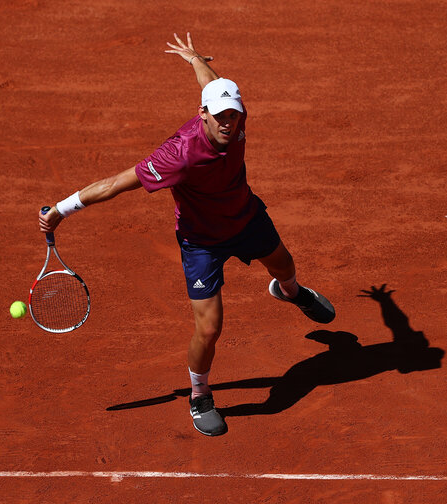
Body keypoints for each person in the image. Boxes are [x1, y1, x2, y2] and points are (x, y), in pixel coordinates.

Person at [38, 33, 335, 436]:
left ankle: (291, 292)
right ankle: (199, 395)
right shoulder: (177, 156)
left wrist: (194, 59)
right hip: (202, 243)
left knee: (284, 266)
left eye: (234, 114)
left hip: (245, 216)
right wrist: (60, 210)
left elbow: (212, 83)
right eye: (220, 116)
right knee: (210, 328)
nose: (229, 123)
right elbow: (115, 184)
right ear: (203, 115)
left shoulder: (230, 113)